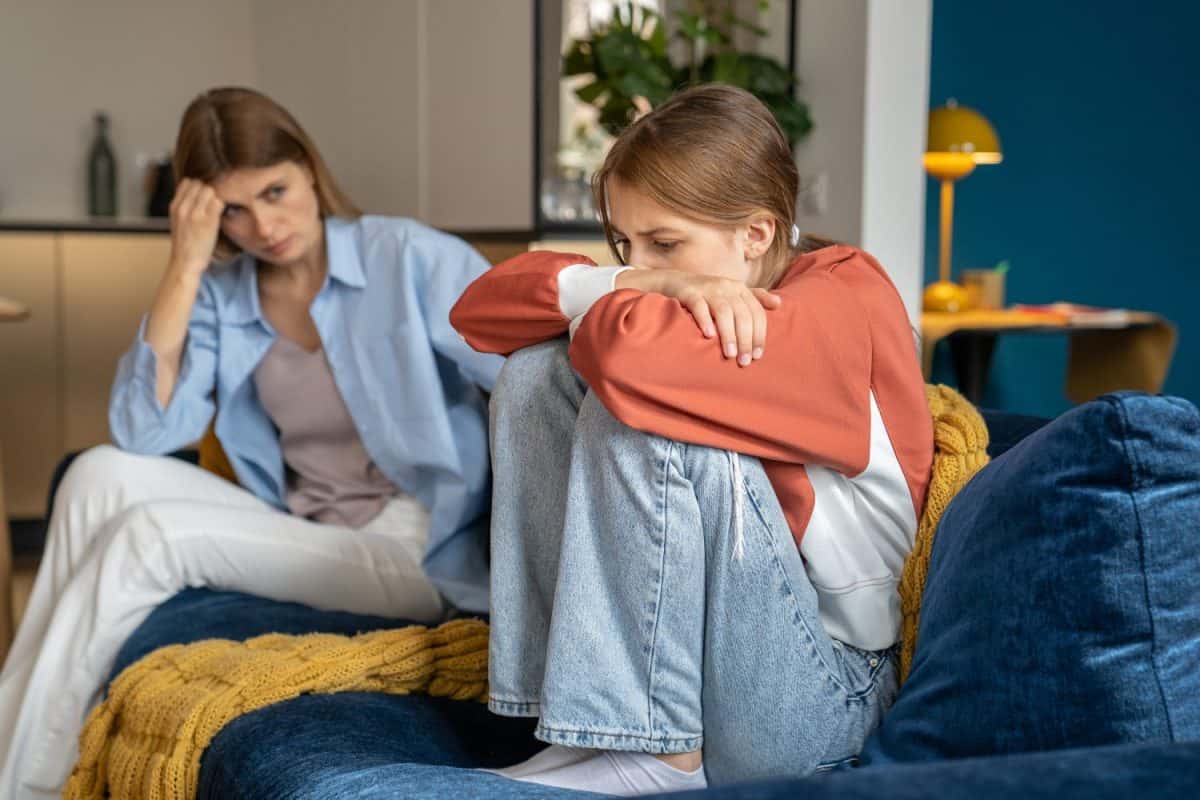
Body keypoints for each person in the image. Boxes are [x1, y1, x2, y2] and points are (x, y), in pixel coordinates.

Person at [0, 87, 502, 799]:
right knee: (97, 473)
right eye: (233, 209)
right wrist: (182, 265)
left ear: (308, 168)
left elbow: (529, 369)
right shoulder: (222, 294)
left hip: (413, 547)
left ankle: (29, 785)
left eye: (276, 191)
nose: (264, 225)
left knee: (150, 535)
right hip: (307, 529)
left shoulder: (411, 258)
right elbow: (145, 432)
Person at [450, 84, 934, 795]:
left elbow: (628, 361)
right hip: (724, 669)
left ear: (757, 234)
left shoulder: (840, 300)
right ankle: (588, 724)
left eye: (666, 243)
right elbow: (479, 313)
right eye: (626, 243)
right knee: (533, 372)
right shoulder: (687, 290)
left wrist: (621, 297)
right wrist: (646, 277)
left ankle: (654, 752)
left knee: (641, 403)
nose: (649, 268)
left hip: (825, 702)